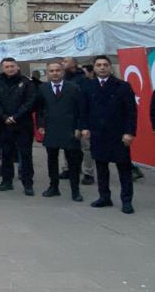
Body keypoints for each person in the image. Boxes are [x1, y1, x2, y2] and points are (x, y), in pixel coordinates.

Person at [80, 55, 137, 214]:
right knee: (101, 167)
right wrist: (84, 127)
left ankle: (126, 200)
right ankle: (104, 197)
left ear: (110, 67)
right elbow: (83, 110)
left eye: (105, 64)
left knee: (123, 169)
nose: (102, 67)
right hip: (98, 134)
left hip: (118, 134)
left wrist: (129, 132)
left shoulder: (123, 86)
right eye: (99, 65)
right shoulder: (88, 87)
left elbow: (131, 112)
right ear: (94, 68)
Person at [36, 61, 84, 202]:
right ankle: (53, 187)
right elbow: (39, 109)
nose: (55, 73)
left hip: (70, 129)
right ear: (48, 73)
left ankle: (75, 191)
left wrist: (78, 127)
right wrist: (40, 125)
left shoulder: (74, 88)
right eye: (52, 71)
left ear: (63, 72)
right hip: (51, 129)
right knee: (52, 160)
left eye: (58, 70)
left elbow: (80, 110)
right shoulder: (42, 88)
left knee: (73, 162)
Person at [0, 58, 37, 196]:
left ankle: (28, 184)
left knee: (26, 155)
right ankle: (6, 181)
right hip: (4, 124)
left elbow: (30, 101)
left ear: (17, 67)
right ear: (2, 68)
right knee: (6, 154)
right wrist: (4, 116)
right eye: (7, 67)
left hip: (23, 124)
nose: (10, 69)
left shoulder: (26, 82)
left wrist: (15, 116)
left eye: (12, 66)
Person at [60, 57, 95, 185]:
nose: (62, 63)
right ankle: (68, 168)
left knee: (85, 147)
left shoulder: (83, 79)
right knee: (67, 145)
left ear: (74, 64)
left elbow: (87, 99)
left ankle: (88, 172)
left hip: (82, 116)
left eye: (65, 61)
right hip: (67, 118)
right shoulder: (63, 79)